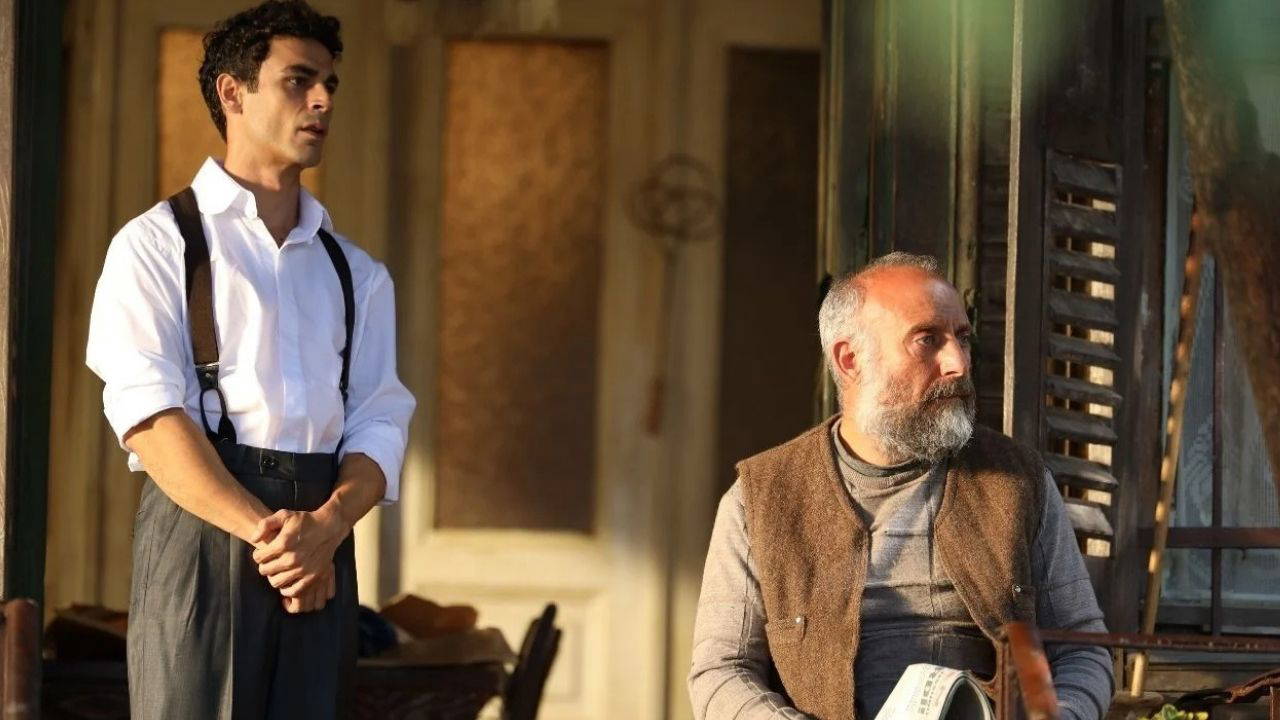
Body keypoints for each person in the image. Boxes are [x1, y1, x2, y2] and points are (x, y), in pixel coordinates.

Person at [85, 2, 415, 717]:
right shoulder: (156, 245)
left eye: (329, 84)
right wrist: (279, 542)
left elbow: (380, 421)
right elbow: (149, 417)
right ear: (233, 92)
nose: (323, 100)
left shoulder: (358, 274)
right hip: (203, 534)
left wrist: (326, 529)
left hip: (324, 537)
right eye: (299, 80)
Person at [688, 252, 1114, 719]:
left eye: (962, 338)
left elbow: (1082, 650)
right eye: (927, 340)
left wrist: (1061, 716)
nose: (957, 363)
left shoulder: (1018, 480)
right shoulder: (762, 498)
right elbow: (721, 671)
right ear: (850, 359)